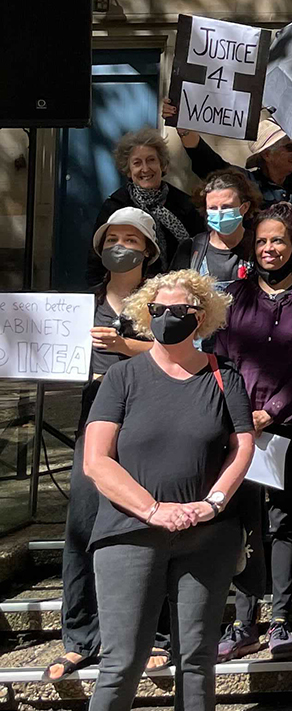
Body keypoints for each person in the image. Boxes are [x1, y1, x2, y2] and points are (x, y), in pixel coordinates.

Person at [65, 270, 256, 711]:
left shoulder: (225, 377)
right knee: (121, 660)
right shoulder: (122, 376)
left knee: (196, 658)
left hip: (206, 534)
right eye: (162, 307)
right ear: (148, 312)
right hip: (128, 532)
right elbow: (97, 459)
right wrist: (152, 510)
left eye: (185, 307)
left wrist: (215, 502)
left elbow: (242, 446)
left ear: (204, 316)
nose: (172, 315)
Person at [208, 204, 292, 662]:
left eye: (277, 240)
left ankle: (280, 618)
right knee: (242, 524)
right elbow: (218, 359)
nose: (269, 248)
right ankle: (242, 622)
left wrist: (274, 411)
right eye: (261, 241)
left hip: (282, 428)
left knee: (280, 520)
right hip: (236, 427)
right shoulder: (233, 296)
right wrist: (241, 414)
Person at [47, 210, 162, 684]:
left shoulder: (159, 301)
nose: (120, 245)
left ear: (148, 249)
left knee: (147, 523)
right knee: (83, 525)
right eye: (112, 238)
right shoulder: (81, 304)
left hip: (151, 419)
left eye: (130, 238)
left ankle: (152, 636)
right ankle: (80, 636)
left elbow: (180, 349)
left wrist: (124, 346)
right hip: (94, 419)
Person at [173, 108, 292, 267]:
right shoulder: (246, 183)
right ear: (267, 155)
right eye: (289, 148)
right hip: (260, 283)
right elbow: (206, 160)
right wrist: (183, 128)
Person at [86, 128, 203, 284]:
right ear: (128, 171)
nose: (145, 169)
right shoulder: (116, 206)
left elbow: (199, 250)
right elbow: (98, 257)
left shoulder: (185, 204)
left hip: (177, 290)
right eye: (137, 163)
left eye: (151, 160)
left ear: (162, 165)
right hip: (130, 291)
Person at [173, 168, 259, 293]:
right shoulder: (191, 249)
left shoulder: (259, 246)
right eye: (213, 208)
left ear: (245, 207)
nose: (219, 213)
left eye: (226, 207)